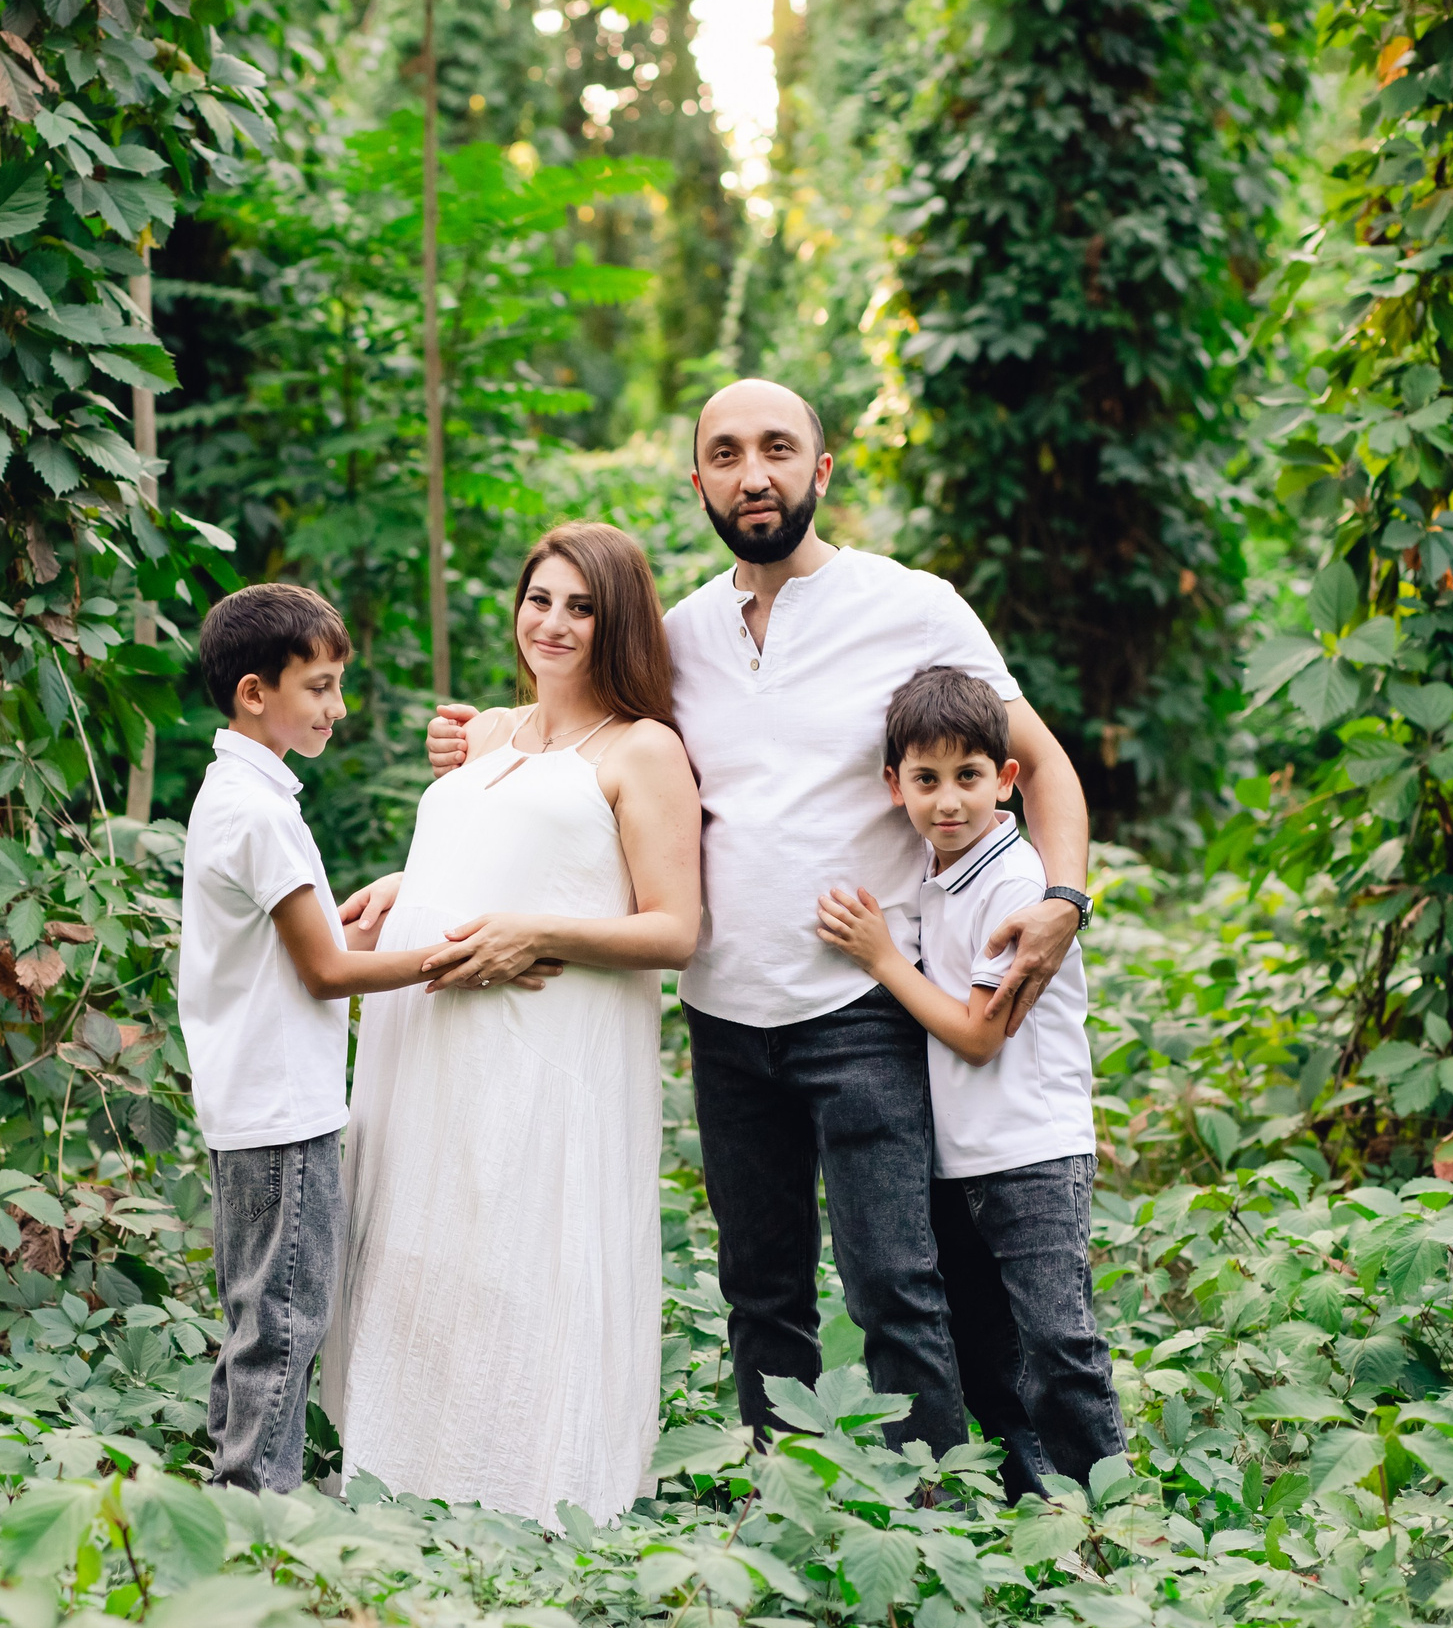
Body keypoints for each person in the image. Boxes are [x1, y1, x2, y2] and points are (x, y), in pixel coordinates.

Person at [412, 380, 1091, 1454]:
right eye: (726, 454)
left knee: (893, 1284)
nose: (753, 474)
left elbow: (1039, 763)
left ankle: (932, 1505)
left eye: (777, 448)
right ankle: (783, 1493)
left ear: (821, 469)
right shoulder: (680, 636)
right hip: (725, 1018)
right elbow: (583, 738)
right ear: (699, 482)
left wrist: (1062, 899)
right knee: (759, 1288)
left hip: (865, 1007)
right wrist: (475, 750)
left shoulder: (911, 606)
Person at [323, 523, 702, 1527]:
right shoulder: (487, 732)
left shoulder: (642, 748)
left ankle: (529, 1491)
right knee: (428, 1244)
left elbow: (674, 928)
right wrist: (404, 886)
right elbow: (498, 850)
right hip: (429, 1040)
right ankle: (400, 1471)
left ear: (620, 623)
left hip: (544, 1043)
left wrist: (538, 932)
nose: (554, 623)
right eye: (541, 599)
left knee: (521, 1251)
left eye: (582, 607)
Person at [181, 583, 536, 1492]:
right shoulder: (260, 813)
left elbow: (300, 950)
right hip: (281, 1108)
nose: (337, 708)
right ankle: (255, 1507)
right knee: (285, 1318)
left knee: (256, 1312)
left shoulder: (235, 792)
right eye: (320, 687)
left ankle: (230, 1486)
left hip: (248, 1099)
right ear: (255, 692)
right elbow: (325, 972)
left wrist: (371, 930)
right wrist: (456, 958)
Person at [815, 666, 1122, 1501]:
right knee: (994, 1348)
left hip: (1032, 1149)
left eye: (968, 776)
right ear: (895, 786)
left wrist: (882, 958)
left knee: (1059, 1341)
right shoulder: (938, 871)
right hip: (967, 1156)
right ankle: (1036, 1501)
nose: (947, 800)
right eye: (926, 780)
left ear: (1006, 779)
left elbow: (981, 1036)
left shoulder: (1014, 881)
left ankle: (1115, 1516)